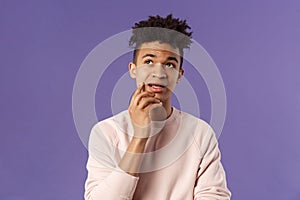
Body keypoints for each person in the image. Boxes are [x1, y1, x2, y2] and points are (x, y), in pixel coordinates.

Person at [84, 14, 231, 200]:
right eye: (148, 61)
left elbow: (214, 196)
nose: (159, 72)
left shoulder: (200, 133)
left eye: (170, 64)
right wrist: (140, 137)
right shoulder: (106, 132)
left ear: (179, 74)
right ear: (133, 69)